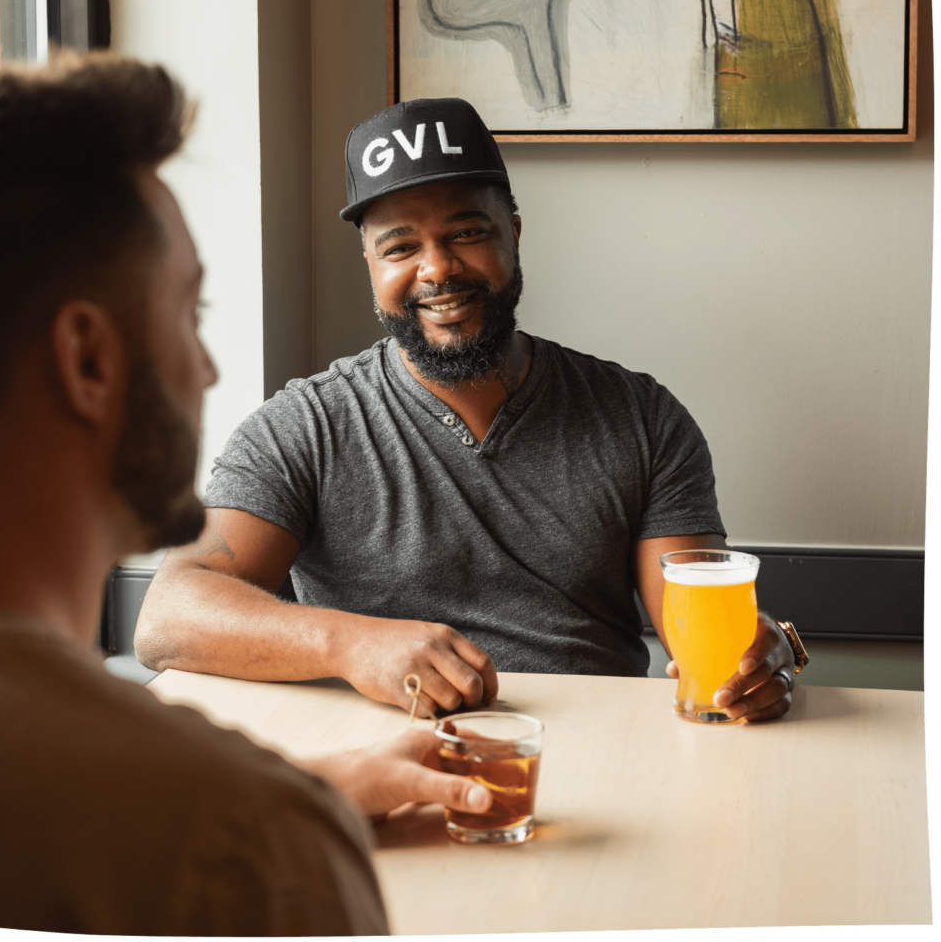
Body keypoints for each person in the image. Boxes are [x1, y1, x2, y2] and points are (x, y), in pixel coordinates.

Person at [0, 57, 495, 935]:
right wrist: (280, 821)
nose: (209, 368)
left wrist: (306, 794)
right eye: (190, 315)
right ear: (88, 360)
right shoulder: (246, 851)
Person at [137, 96, 803, 722]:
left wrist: (753, 655)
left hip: (601, 747)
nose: (437, 270)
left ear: (513, 233)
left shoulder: (641, 417)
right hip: (382, 759)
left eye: (466, 232)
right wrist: (351, 646)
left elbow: (695, 627)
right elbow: (168, 616)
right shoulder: (305, 427)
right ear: (369, 262)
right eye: (400, 247)